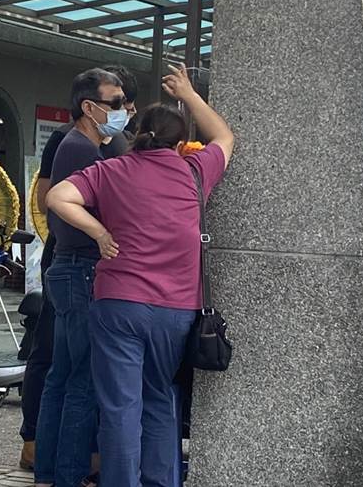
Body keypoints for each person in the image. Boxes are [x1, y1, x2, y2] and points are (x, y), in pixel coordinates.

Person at [45, 63, 234, 487]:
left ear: (138, 133)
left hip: (118, 305)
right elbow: (224, 136)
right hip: (176, 310)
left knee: (119, 408)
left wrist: (98, 231)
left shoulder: (110, 170)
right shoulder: (195, 171)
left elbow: (57, 197)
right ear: (180, 141)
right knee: (159, 399)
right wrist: (188, 93)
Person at [19, 65, 138, 471]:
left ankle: (49, 470)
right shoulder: (82, 150)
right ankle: (70, 471)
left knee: (62, 376)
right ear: (89, 107)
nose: (124, 111)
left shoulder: (83, 145)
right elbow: (58, 203)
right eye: (117, 103)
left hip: (69, 268)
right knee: (80, 380)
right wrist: (103, 234)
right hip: (80, 269)